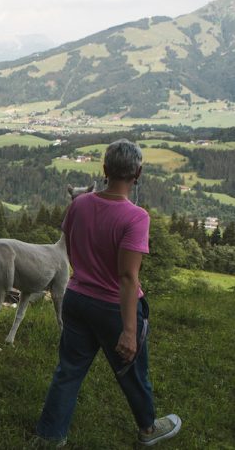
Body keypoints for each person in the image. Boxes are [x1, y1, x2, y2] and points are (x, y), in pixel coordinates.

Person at [33, 139, 181, 447]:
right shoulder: (136, 217)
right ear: (137, 173)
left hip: (76, 299)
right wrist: (129, 329)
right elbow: (127, 277)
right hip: (113, 309)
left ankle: (50, 435)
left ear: (105, 169)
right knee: (133, 373)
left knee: (69, 370)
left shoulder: (79, 205)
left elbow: (71, 249)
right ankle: (148, 429)